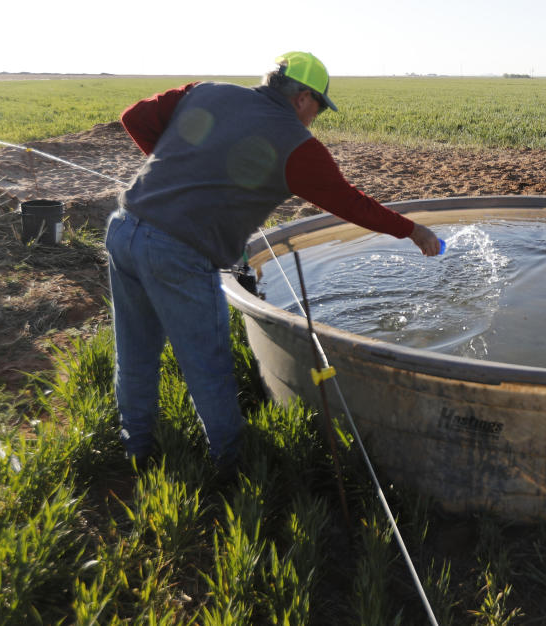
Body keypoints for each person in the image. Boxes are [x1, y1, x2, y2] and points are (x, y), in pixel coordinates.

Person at [106, 51, 440, 473]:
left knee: (134, 352)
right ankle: (231, 469)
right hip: (179, 252)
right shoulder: (296, 144)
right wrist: (413, 230)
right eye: (318, 108)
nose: (314, 119)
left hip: (124, 228)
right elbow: (349, 203)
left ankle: (135, 451)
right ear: (303, 98)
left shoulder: (206, 91)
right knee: (207, 363)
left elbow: (133, 116)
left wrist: (182, 173)